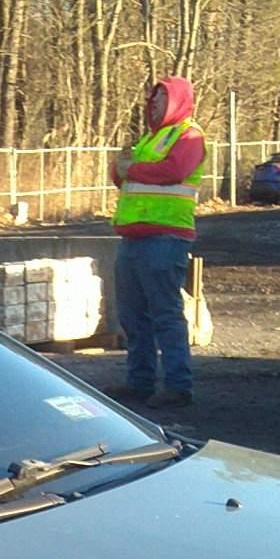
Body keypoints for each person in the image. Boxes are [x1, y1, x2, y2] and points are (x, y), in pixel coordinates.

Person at [109, 74, 209, 410]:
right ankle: (140, 381)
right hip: (136, 236)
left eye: (162, 98)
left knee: (165, 313)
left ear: (178, 101)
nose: (155, 104)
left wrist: (130, 168)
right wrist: (118, 167)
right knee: (133, 315)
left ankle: (179, 385)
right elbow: (125, 179)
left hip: (166, 237)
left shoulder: (189, 134)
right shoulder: (149, 140)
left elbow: (174, 171)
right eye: (154, 99)